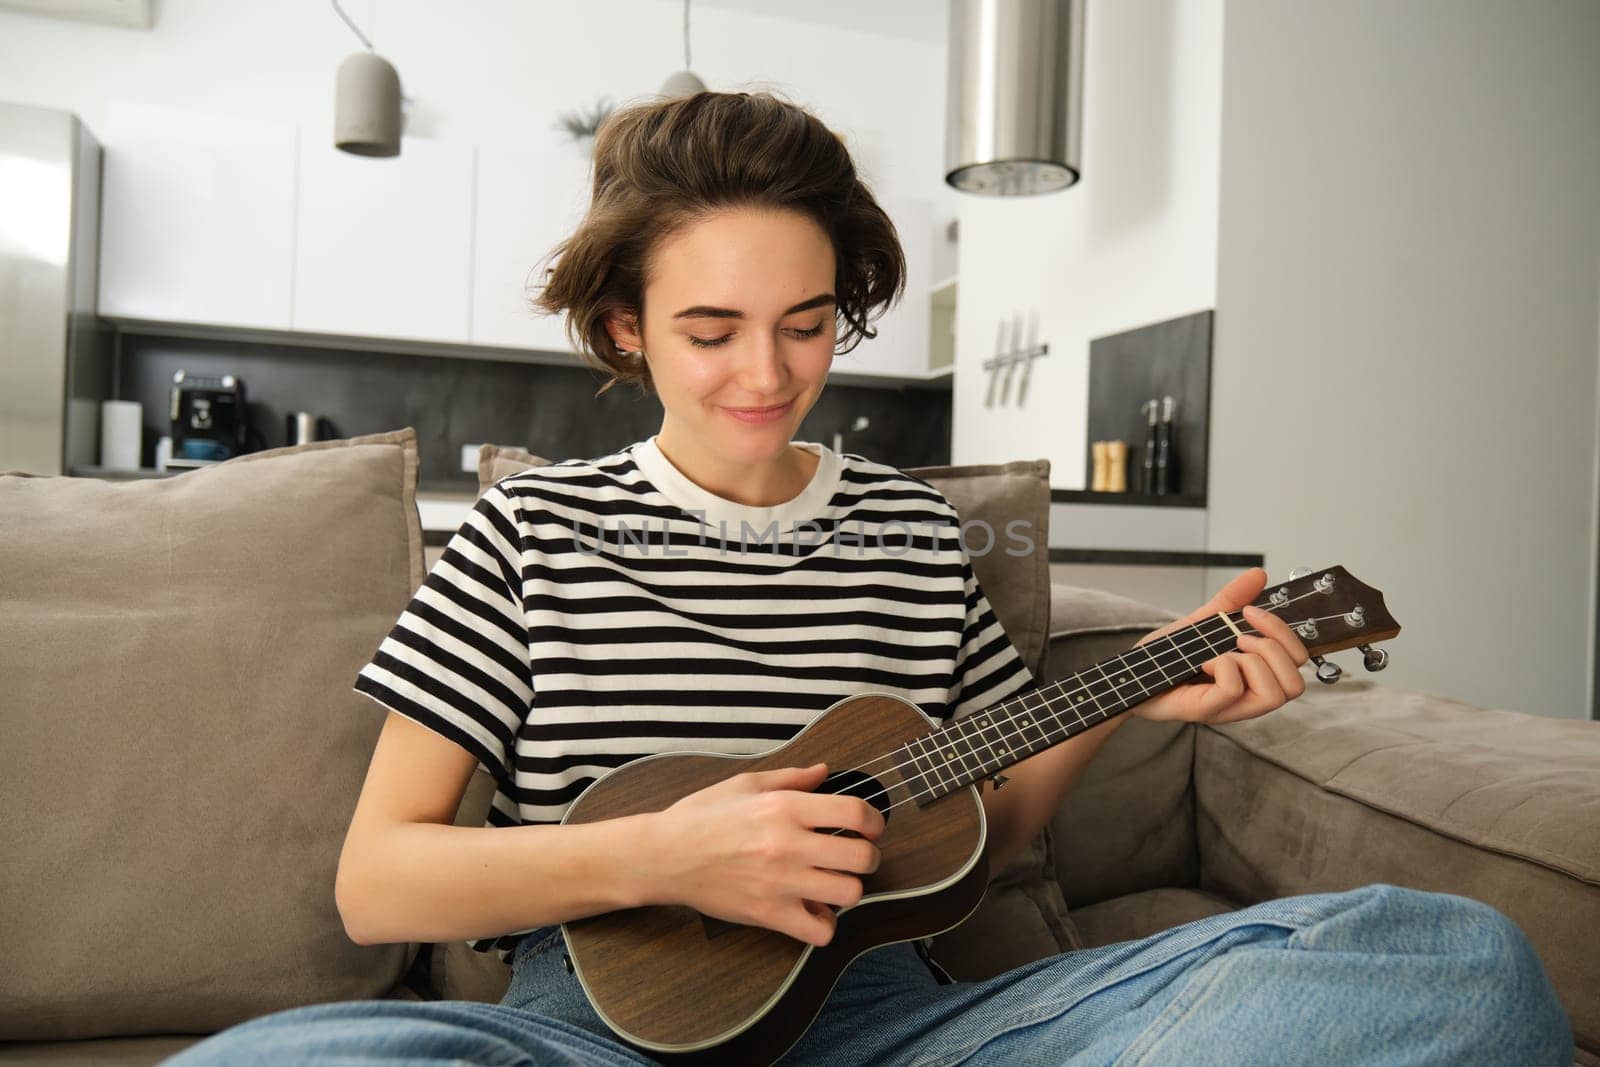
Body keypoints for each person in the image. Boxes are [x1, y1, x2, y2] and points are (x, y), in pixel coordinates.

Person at [163, 90, 1573, 1066]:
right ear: (624, 328)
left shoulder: (907, 536)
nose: (768, 375)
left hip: (905, 1030)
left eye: (808, 323)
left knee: (1456, 964)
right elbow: (378, 882)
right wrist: (663, 853)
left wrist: (1138, 698)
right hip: (575, 1033)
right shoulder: (528, 535)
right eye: (710, 329)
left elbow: (977, 832)